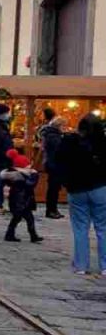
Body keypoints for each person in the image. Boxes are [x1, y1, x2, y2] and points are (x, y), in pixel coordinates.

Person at [55, 114, 106, 275]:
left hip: (76, 189)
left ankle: (81, 265)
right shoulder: (102, 142)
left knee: (80, 228)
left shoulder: (69, 141)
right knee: (103, 228)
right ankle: (105, 266)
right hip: (100, 187)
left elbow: (58, 161)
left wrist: (65, 182)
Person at [1, 149, 43, 243]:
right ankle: (32, 236)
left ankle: (12, 234)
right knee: (24, 217)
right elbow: (30, 185)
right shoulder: (23, 177)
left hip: (19, 199)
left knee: (19, 218)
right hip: (22, 200)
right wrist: (34, 175)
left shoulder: (12, 175)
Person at [40, 116, 66, 219]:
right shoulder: (53, 136)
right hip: (53, 164)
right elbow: (59, 149)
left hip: (53, 163)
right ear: (59, 125)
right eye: (64, 125)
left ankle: (53, 209)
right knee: (53, 188)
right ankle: (51, 210)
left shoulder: (52, 134)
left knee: (54, 188)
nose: (65, 127)